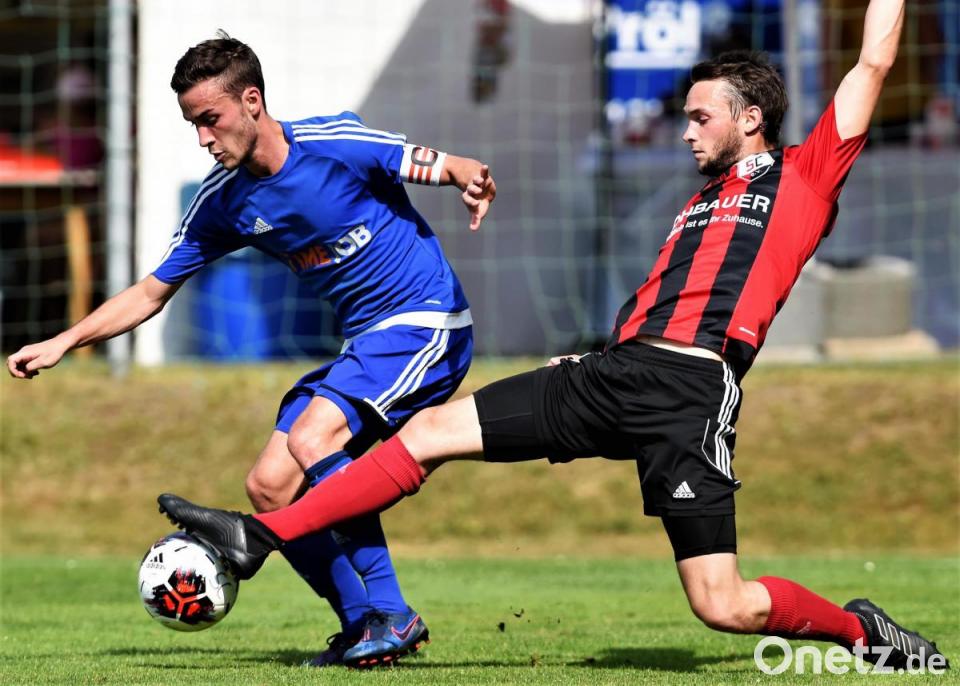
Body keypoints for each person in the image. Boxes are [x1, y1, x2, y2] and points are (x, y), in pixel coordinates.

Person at [155, 0, 949, 672]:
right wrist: (604, 351)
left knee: (724, 605)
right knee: (427, 433)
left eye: (699, 117)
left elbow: (874, 61)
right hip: (611, 372)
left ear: (751, 118)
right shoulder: (700, 199)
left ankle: (863, 634)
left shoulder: (806, 174)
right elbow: (662, 302)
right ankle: (258, 537)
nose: (685, 132)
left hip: (688, 394)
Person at [6, 32, 496, 668]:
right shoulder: (224, 201)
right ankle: (362, 627)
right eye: (193, 124)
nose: (203, 138)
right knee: (269, 485)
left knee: (314, 438)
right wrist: (65, 340)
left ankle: (391, 610)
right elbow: (151, 292)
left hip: (428, 323)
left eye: (210, 119)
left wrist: (469, 177)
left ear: (252, 101)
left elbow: (441, 164)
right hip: (366, 345)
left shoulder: (335, 142)